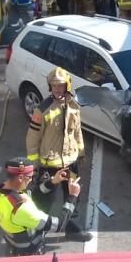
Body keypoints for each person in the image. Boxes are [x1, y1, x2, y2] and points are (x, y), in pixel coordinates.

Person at [25, 67, 91, 240]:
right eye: (53, 85)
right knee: (44, 200)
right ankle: (38, 233)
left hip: (71, 162)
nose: (57, 89)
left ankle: (72, 229)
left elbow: (77, 132)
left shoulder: (74, 106)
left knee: (73, 196)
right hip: (50, 164)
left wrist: (81, 153)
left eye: (60, 85)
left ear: (67, 85)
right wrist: (34, 162)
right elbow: (32, 137)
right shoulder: (43, 110)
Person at [0, 157, 81, 256]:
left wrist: (53, 181)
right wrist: (72, 196)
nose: (31, 180)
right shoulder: (22, 208)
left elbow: (34, 195)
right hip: (28, 252)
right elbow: (58, 224)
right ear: (20, 178)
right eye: (29, 177)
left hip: (13, 245)